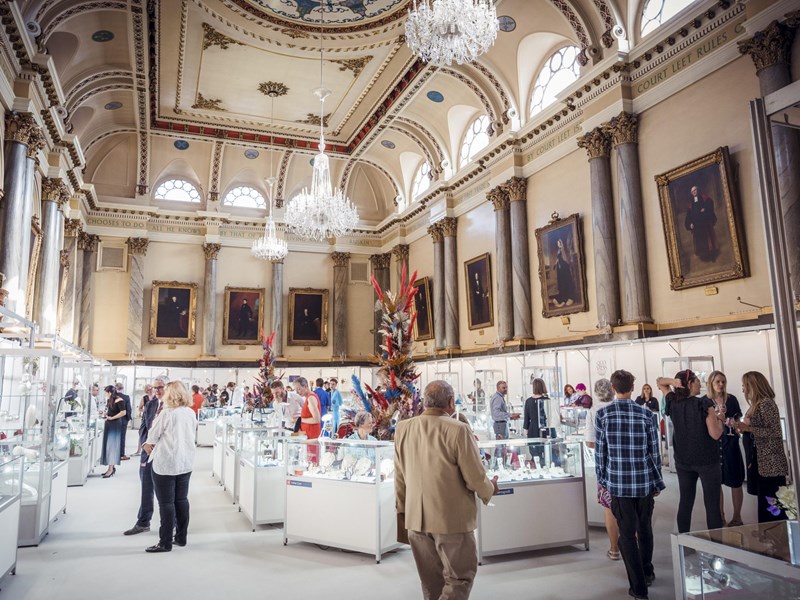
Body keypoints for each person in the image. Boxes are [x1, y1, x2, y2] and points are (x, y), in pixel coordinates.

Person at [395, 380, 499, 600]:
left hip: (416, 519)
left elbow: (400, 477)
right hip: (450, 519)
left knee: (431, 583)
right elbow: (474, 476)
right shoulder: (458, 429)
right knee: (460, 577)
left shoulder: (403, 428)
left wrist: (403, 512)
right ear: (451, 403)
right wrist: (489, 488)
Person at [596, 370, 664, 600]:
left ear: (613, 389)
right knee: (644, 528)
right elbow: (654, 452)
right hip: (644, 481)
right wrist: (657, 481)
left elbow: (600, 454)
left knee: (627, 535)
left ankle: (639, 588)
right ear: (633, 387)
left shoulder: (603, 415)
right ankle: (646, 572)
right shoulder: (646, 415)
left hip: (618, 483)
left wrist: (603, 481)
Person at [658, 370, 723, 533]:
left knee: (685, 502)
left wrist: (672, 382)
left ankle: (683, 543)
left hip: (683, 460)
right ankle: (717, 548)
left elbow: (660, 382)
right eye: (696, 381)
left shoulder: (673, 402)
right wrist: (720, 418)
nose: (700, 383)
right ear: (690, 384)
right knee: (712, 504)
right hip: (707, 460)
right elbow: (715, 434)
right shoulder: (704, 404)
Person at [142, 381, 196, 553]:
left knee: (166, 503)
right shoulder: (190, 412)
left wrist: (146, 445)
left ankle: (164, 542)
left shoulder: (166, 414)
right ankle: (181, 537)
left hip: (166, 463)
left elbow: (152, 436)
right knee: (181, 500)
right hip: (185, 462)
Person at [736, 371, 790, 523]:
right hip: (762, 462)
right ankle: (768, 535)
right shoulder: (757, 404)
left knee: (772, 505)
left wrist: (749, 429)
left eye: (744, 385)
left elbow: (775, 431)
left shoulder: (766, 404)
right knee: (765, 502)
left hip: (771, 463)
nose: (743, 389)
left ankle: (775, 537)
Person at [124, 378, 166, 536]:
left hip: (164, 453)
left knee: (166, 493)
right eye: (155, 388)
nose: (156, 390)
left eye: (160, 387)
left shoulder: (172, 408)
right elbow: (143, 428)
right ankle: (143, 522)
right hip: (147, 453)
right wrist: (144, 445)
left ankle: (171, 524)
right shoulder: (150, 405)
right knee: (146, 487)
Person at [585, 378, 621, 562]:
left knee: (609, 507)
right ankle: (635, 550)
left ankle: (614, 549)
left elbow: (590, 442)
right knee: (632, 508)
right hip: (628, 465)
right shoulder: (620, 407)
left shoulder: (593, 412)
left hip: (605, 465)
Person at [706, 371, 745, 527]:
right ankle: (720, 516)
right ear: (711, 383)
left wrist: (733, 423)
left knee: (735, 481)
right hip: (714, 446)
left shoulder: (732, 399)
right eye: (718, 382)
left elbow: (737, 420)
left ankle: (737, 517)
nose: (721, 384)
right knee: (716, 483)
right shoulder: (705, 401)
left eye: (723, 381)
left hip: (731, 444)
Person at [684, 185, 718, 262]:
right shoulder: (690, 203)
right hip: (696, 225)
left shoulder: (704, 198)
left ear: (698, 190)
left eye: (695, 190)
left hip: (704, 223)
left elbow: (710, 203)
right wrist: (690, 223)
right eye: (692, 191)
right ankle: (703, 256)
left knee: (707, 239)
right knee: (699, 241)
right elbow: (688, 215)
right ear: (691, 193)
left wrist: (705, 209)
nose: (694, 192)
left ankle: (711, 255)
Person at [100, 385, 126, 478]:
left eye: (106, 392)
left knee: (112, 446)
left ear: (109, 392)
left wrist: (112, 417)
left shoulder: (119, 400)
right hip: (109, 423)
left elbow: (123, 412)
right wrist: (105, 414)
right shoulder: (109, 400)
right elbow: (110, 410)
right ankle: (110, 467)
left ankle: (111, 469)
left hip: (115, 424)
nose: (105, 394)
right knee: (109, 445)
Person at [523, 378, 549, 462]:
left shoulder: (528, 401)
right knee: (545, 451)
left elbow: (526, 418)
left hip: (532, 428)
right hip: (544, 427)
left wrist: (525, 429)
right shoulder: (546, 400)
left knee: (534, 452)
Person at [552, 237, 577, 307]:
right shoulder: (558, 251)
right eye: (557, 243)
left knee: (567, 282)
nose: (558, 244)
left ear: (561, 243)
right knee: (561, 284)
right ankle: (563, 299)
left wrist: (562, 250)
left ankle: (569, 298)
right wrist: (555, 264)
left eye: (559, 243)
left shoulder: (563, 250)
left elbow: (566, 258)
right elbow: (558, 259)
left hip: (564, 269)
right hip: (560, 270)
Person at [115, 382, 132, 460]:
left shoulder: (113, 397)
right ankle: (121, 454)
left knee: (114, 437)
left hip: (114, 420)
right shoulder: (126, 397)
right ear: (122, 388)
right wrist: (127, 418)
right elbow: (129, 409)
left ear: (116, 388)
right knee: (122, 437)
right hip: (123, 420)